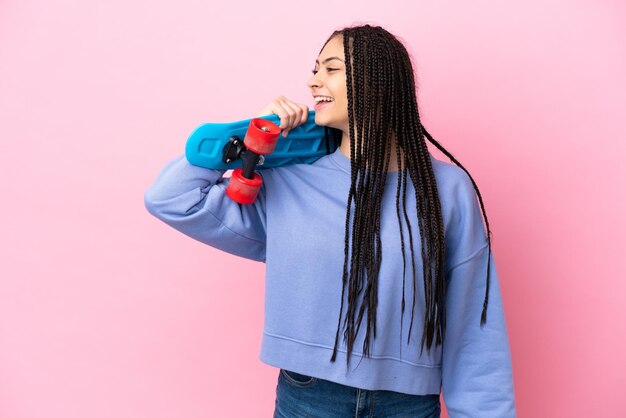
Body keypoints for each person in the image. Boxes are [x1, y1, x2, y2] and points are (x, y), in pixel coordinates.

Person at [144, 24, 516, 417]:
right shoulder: (290, 179)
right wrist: (250, 136)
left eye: (330, 69)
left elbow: (474, 323)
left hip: (408, 406)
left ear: (377, 80)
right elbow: (171, 198)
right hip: (308, 399)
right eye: (314, 69)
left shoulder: (446, 190)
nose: (312, 80)